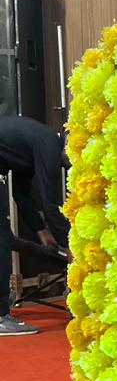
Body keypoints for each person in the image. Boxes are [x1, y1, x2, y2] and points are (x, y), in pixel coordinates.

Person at [0, 115, 70, 336]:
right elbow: (51, 205)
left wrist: (41, 230)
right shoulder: (49, 146)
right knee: (2, 238)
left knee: (3, 237)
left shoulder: (40, 140)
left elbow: (21, 193)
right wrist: (69, 248)